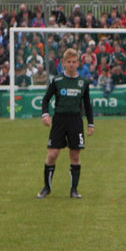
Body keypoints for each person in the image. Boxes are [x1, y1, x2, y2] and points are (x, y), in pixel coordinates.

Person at [37, 48, 95, 199]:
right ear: (63, 63)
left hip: (76, 121)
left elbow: (87, 105)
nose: (71, 64)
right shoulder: (57, 81)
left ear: (77, 63)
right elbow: (46, 99)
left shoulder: (83, 82)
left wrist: (90, 123)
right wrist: (45, 115)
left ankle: (74, 190)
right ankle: (46, 188)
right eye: (68, 62)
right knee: (52, 154)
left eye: (74, 62)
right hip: (59, 120)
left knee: (75, 155)